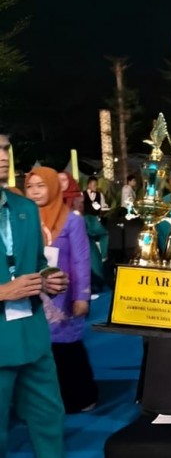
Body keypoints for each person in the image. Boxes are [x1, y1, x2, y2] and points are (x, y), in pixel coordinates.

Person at [0, 131, 103, 458]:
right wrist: (3, 290)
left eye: (2, 151)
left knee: (49, 419)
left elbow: (35, 265)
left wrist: (47, 278)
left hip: (33, 336)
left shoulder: (23, 208)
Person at [24, 167, 98, 413]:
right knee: (37, 351)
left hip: (63, 296)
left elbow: (81, 260)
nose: (35, 192)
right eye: (30, 187)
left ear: (54, 187)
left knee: (67, 349)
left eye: (41, 186)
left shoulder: (72, 220)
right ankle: (41, 403)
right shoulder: (23, 219)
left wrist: (82, 296)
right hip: (31, 294)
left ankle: (81, 397)